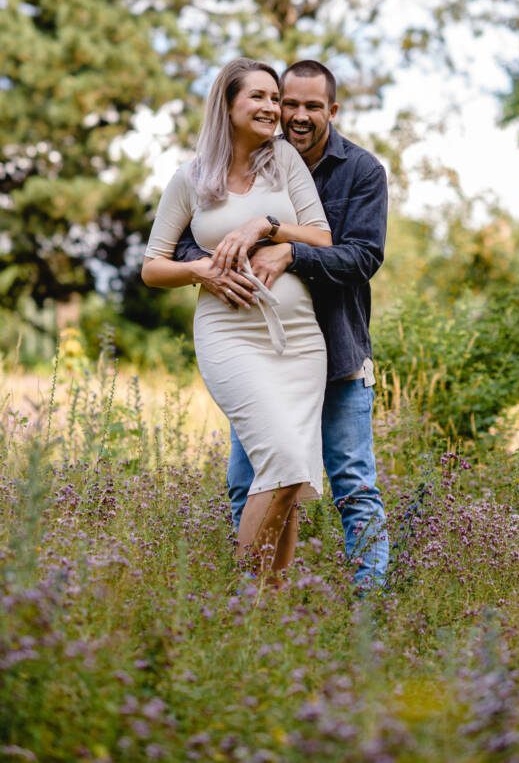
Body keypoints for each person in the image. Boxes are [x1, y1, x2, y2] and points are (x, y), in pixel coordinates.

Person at [175, 59, 390, 589]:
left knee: (353, 486)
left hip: (333, 349)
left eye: (310, 106)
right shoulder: (246, 161)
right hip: (255, 352)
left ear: (331, 111)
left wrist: (288, 249)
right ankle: (260, 608)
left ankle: (369, 611)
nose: (294, 114)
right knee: (248, 481)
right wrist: (217, 267)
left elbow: (362, 256)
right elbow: (190, 240)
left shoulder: (362, 172)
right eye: (286, 102)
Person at [141, 58, 332, 578]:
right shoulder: (191, 178)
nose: (274, 107)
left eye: (276, 97)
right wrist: (203, 270)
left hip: (298, 341)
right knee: (284, 460)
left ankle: (273, 608)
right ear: (227, 105)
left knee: (290, 475)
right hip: (231, 336)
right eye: (260, 97)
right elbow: (153, 267)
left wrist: (266, 227)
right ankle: (246, 606)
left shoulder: (286, 162)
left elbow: (321, 236)